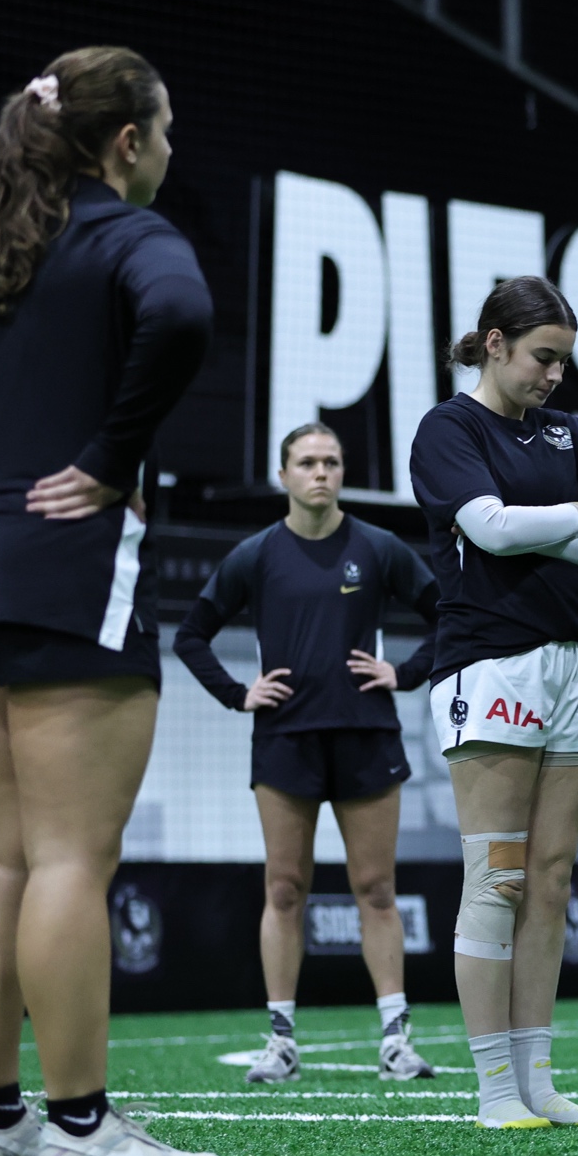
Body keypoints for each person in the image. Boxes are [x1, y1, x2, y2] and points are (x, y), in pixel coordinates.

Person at [0, 48, 224, 1156]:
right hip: (63, 565)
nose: (171, 146)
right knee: (64, 857)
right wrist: (108, 459)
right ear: (127, 142)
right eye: (168, 127)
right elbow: (185, 315)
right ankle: (84, 1133)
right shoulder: (128, 238)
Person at [409, 275, 578, 1129]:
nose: (554, 377)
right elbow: (489, 530)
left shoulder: (569, 430)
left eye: (564, 363)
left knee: (550, 880)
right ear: (495, 342)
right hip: (491, 667)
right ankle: (494, 1092)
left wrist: (553, 520)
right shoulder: (448, 428)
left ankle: (539, 1083)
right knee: (497, 876)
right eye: (544, 357)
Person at [173, 422, 441, 1084]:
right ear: (284, 474)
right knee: (285, 889)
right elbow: (191, 637)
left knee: (377, 890)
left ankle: (395, 1041)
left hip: (366, 735)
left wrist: (402, 674)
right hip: (285, 739)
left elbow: (451, 615)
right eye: (307, 462)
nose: (321, 473)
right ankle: (283, 1041)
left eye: (331, 462)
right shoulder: (255, 554)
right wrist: (239, 695)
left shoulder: (379, 548)